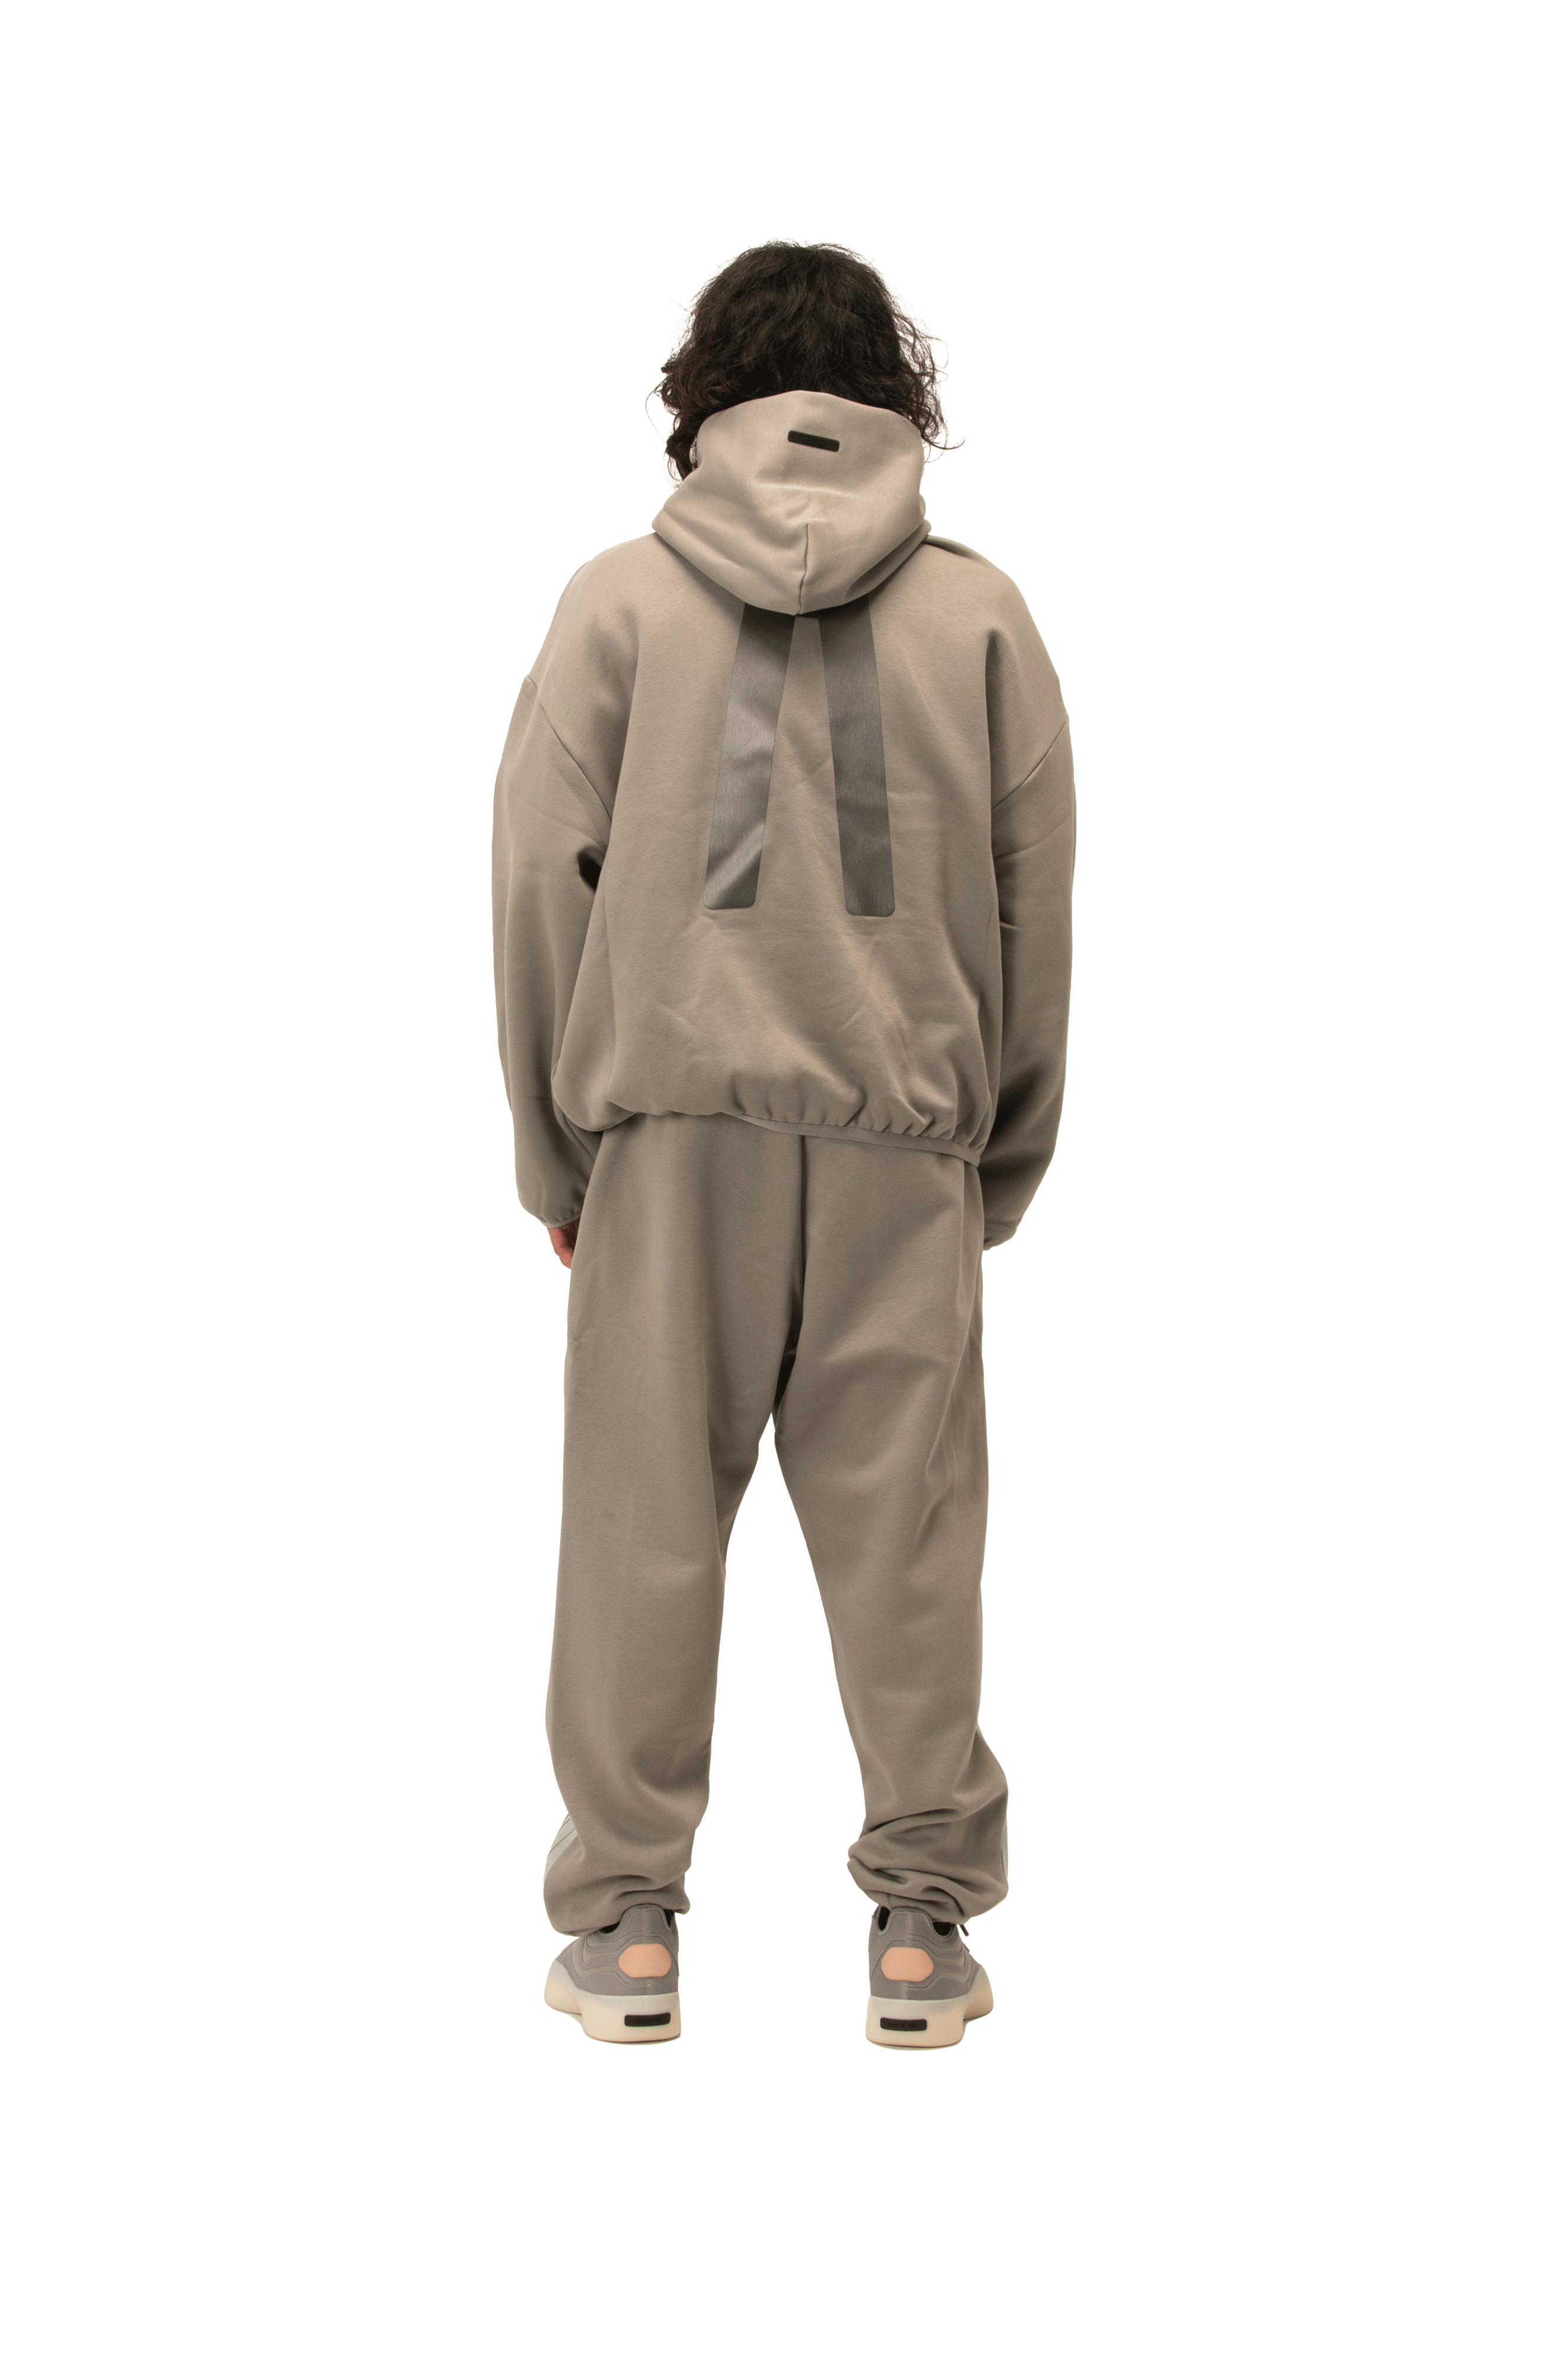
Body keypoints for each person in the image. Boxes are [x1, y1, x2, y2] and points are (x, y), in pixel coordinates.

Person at [492, 241, 1075, 2047]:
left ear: (708, 395)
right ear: (893, 396)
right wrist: (998, 1158)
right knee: (912, 1540)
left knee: (640, 1528)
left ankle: (628, 1925)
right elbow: (1033, 898)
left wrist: (560, 1156)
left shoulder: (616, 605)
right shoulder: (984, 620)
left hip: (670, 1141)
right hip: (905, 1141)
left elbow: (538, 883)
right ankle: (921, 1930)